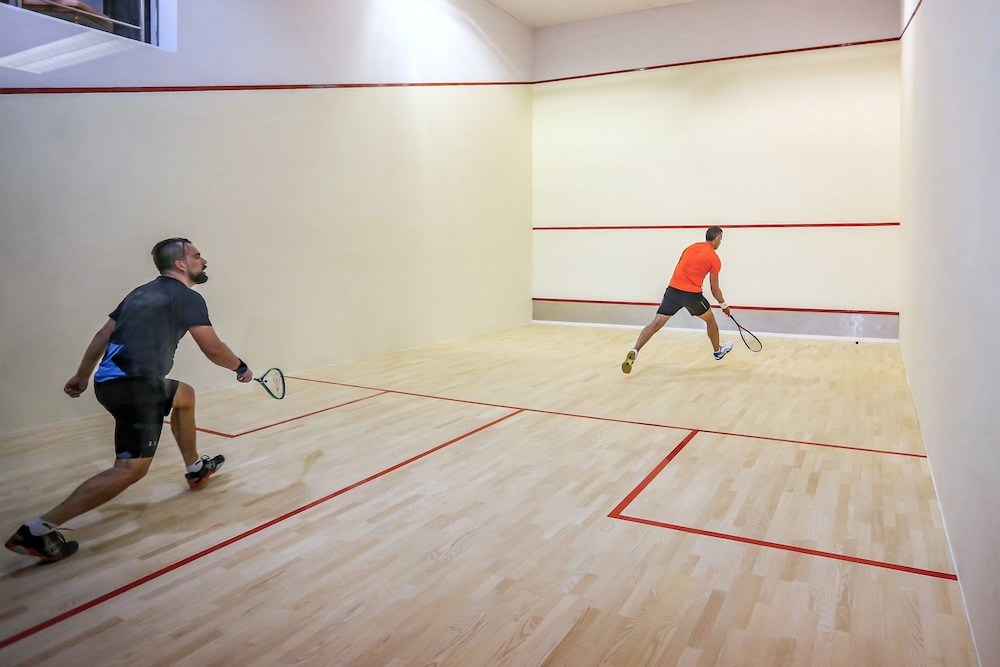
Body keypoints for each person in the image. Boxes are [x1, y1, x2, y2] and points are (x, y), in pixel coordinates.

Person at [4, 238, 253, 563]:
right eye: (196, 255)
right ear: (180, 264)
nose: (203, 260)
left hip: (110, 383)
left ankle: (195, 468)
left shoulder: (139, 293)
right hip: (137, 387)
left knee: (185, 395)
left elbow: (103, 334)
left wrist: (82, 376)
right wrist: (240, 367)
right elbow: (213, 348)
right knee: (130, 469)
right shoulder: (188, 297)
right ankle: (37, 531)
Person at [622, 226, 733, 374]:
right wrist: (724, 305)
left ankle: (635, 350)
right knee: (710, 320)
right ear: (717, 238)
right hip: (692, 296)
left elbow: (680, 266)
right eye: (721, 240)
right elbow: (715, 288)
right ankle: (718, 351)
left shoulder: (690, 248)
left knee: (655, 324)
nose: (720, 243)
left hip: (673, 291)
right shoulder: (714, 258)